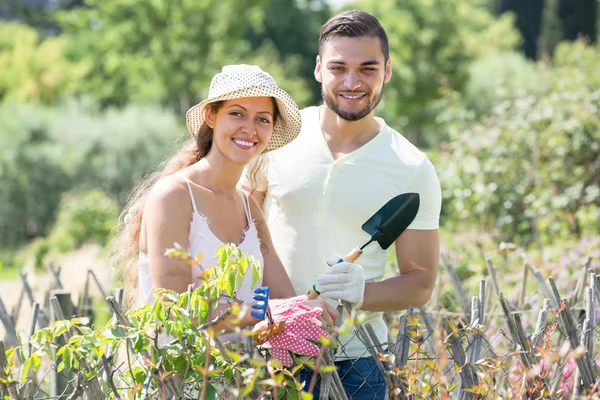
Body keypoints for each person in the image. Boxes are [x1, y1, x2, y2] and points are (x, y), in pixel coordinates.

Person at [242, 10, 442, 399]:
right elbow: (244, 233)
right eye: (339, 68)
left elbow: (420, 282)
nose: (352, 82)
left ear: (387, 70)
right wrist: (271, 310)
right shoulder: (279, 136)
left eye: (367, 69)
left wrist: (361, 292)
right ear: (319, 69)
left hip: (355, 364)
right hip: (267, 346)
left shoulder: (412, 168)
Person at [112, 64, 338, 339]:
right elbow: (175, 311)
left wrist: (308, 305)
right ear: (211, 116)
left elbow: (284, 297)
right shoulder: (174, 196)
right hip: (181, 376)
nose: (250, 129)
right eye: (236, 114)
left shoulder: (249, 208)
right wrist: (260, 312)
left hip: (245, 375)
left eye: (262, 119)